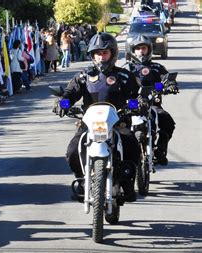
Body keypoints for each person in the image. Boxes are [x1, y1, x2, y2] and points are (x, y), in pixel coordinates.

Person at [54, 32, 141, 202]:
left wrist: (138, 104)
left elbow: (135, 96)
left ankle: (126, 181)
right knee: (72, 151)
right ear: (92, 55)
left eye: (105, 52)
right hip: (89, 125)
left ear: (113, 53)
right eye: (97, 53)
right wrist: (62, 103)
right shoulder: (84, 76)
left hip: (117, 123)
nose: (101, 57)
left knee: (132, 145)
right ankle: (81, 179)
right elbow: (70, 93)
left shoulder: (124, 76)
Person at [123, 35, 177, 165]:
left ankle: (160, 150)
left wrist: (170, 85)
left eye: (144, 48)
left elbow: (166, 79)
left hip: (152, 104)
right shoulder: (125, 69)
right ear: (133, 50)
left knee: (166, 120)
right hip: (131, 106)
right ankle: (121, 156)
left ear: (149, 50)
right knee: (119, 125)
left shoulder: (157, 67)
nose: (141, 51)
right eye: (138, 48)